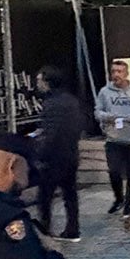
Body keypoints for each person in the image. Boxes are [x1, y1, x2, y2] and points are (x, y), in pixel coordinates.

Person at [94, 58, 130, 217]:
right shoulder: (105, 92)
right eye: (113, 71)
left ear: (126, 73)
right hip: (113, 140)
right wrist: (110, 117)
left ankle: (129, 203)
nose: (116, 75)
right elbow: (98, 112)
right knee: (114, 171)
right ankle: (119, 198)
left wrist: (128, 118)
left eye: (119, 72)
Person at [34, 66, 85, 242]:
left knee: (44, 196)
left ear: (48, 82)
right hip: (70, 154)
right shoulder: (71, 101)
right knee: (70, 194)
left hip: (54, 157)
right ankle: (73, 228)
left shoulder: (50, 104)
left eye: (40, 80)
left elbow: (50, 133)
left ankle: (45, 228)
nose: (38, 84)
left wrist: (40, 153)